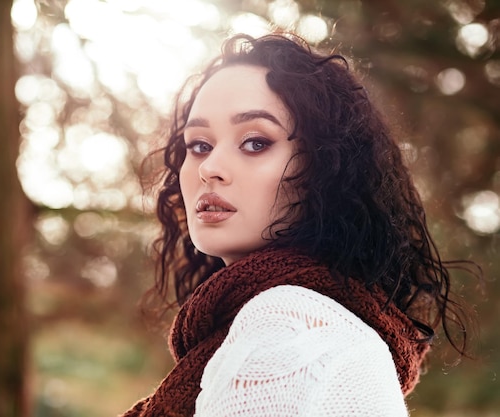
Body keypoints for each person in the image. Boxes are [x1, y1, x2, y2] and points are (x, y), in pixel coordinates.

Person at [122, 33, 477, 417]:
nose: (210, 168)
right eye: (199, 145)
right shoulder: (324, 323)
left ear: (324, 168)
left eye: (256, 142)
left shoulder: (293, 329)